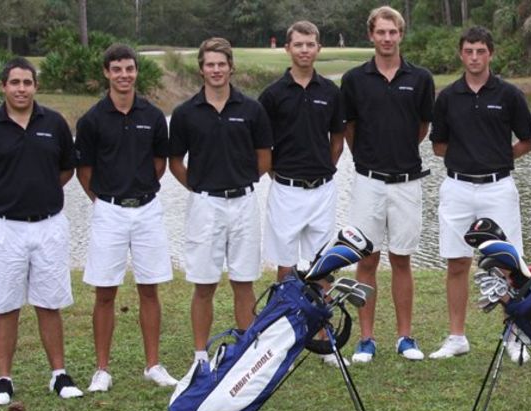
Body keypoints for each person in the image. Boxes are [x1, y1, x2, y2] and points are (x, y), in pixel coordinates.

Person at [0, 57, 84, 405]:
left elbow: (65, 171)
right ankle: (3, 380)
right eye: (14, 82)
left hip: (48, 227)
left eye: (27, 82)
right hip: (3, 229)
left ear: (35, 86)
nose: (21, 89)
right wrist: (3, 197)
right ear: (3, 86)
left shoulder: (55, 123)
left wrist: (37, 192)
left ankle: (59, 375)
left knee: (49, 304)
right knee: (6, 306)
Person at [428, 26, 531, 362]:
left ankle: (515, 335)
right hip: (457, 187)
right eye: (469, 51)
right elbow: (438, 145)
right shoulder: (447, 97)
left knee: (508, 263)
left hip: (498, 187)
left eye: (481, 51)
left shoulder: (509, 94)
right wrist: (468, 158)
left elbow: (528, 139)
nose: (474, 57)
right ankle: (457, 336)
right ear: (461, 54)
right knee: (457, 262)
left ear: (491, 53)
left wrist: (499, 159)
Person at [75, 44, 177, 391]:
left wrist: (138, 190)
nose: (124, 75)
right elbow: (84, 172)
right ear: (106, 73)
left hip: (147, 209)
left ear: (136, 72)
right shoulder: (91, 120)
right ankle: (102, 369)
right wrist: (106, 201)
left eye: (129, 69)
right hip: (109, 211)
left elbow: (159, 164)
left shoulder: (152, 115)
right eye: (116, 69)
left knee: (150, 290)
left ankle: (153, 364)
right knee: (105, 293)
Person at [168, 37, 273, 367]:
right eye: (210, 64)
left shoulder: (252, 109)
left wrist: (238, 181)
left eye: (221, 64)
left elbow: (264, 158)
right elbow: (175, 162)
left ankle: (246, 351)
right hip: (205, 206)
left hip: (243, 203)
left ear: (231, 67)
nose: (216, 70)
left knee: (244, 281)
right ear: (201, 69)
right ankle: (201, 354)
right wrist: (200, 188)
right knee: (204, 284)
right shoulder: (186, 113)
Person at [340, 5, 435, 363]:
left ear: (401, 34)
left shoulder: (420, 78)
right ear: (371, 35)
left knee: (401, 259)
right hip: (368, 182)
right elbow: (349, 129)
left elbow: (421, 128)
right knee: (366, 259)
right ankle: (366, 339)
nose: (387, 38)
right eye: (380, 32)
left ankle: (405, 337)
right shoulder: (354, 79)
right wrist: (367, 159)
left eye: (392, 32)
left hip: (407, 182)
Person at [258, 21, 346, 366]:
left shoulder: (331, 91)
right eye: (298, 44)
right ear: (288, 49)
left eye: (310, 44)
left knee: (322, 266)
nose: (305, 50)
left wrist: (325, 168)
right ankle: (285, 340)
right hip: (285, 190)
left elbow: (336, 140)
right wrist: (278, 174)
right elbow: (263, 146)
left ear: (318, 48)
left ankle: (324, 339)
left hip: (321, 190)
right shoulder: (272, 94)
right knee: (285, 268)